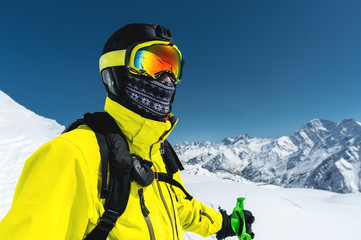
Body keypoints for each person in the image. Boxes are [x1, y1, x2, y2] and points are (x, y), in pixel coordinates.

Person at [0, 23, 255, 240]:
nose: (167, 79)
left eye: (173, 67)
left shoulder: (159, 152)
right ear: (115, 73)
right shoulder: (71, 155)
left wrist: (226, 223)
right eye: (153, 63)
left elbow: (179, 207)